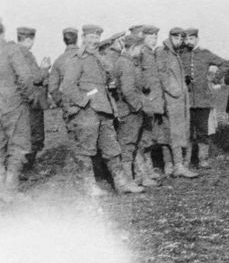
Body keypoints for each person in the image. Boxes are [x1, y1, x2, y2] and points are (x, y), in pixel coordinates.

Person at [61, 24, 143, 195]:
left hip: (105, 110)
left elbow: (110, 75)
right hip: (87, 112)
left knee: (112, 148)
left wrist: (100, 58)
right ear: (83, 38)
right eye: (90, 37)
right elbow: (68, 86)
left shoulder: (99, 58)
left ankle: (122, 184)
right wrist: (83, 101)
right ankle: (89, 186)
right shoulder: (77, 59)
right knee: (86, 150)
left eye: (97, 38)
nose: (94, 41)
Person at [181, 27, 229, 168]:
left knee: (202, 130)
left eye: (191, 39)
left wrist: (215, 79)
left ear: (197, 39)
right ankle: (186, 160)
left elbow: (226, 64)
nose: (188, 42)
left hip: (203, 100)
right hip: (187, 100)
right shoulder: (181, 55)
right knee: (187, 131)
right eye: (186, 39)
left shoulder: (205, 54)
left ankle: (203, 159)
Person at [114, 34, 158, 187]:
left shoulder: (128, 62)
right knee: (127, 145)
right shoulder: (125, 64)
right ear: (132, 48)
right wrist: (139, 107)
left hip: (133, 110)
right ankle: (128, 180)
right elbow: (127, 91)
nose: (140, 52)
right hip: (129, 111)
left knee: (137, 143)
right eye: (139, 48)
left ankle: (141, 176)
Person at [156, 27, 198, 178]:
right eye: (178, 38)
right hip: (171, 99)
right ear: (171, 37)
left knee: (171, 132)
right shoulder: (163, 52)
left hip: (177, 100)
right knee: (174, 133)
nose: (180, 41)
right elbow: (162, 75)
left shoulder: (174, 53)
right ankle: (177, 165)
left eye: (182, 39)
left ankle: (170, 165)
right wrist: (175, 91)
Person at [0, 22, 35, 200]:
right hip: (13, 104)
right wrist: (26, 97)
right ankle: (9, 191)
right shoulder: (11, 50)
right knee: (19, 146)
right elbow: (26, 77)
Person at [15, 27, 51, 172]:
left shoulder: (13, 54)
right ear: (29, 39)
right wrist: (44, 69)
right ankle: (25, 170)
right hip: (30, 103)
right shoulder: (25, 55)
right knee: (34, 136)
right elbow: (34, 78)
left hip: (18, 102)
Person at [140, 25, 170, 176]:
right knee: (145, 137)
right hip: (147, 101)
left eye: (155, 37)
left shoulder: (156, 53)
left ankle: (150, 168)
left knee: (154, 135)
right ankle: (146, 170)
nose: (153, 40)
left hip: (158, 101)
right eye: (150, 37)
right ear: (143, 37)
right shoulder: (141, 53)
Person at [49, 28, 80, 108]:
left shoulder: (58, 61)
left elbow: (52, 88)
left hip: (69, 104)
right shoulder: (88, 56)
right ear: (77, 39)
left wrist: (62, 102)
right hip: (89, 104)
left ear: (64, 40)